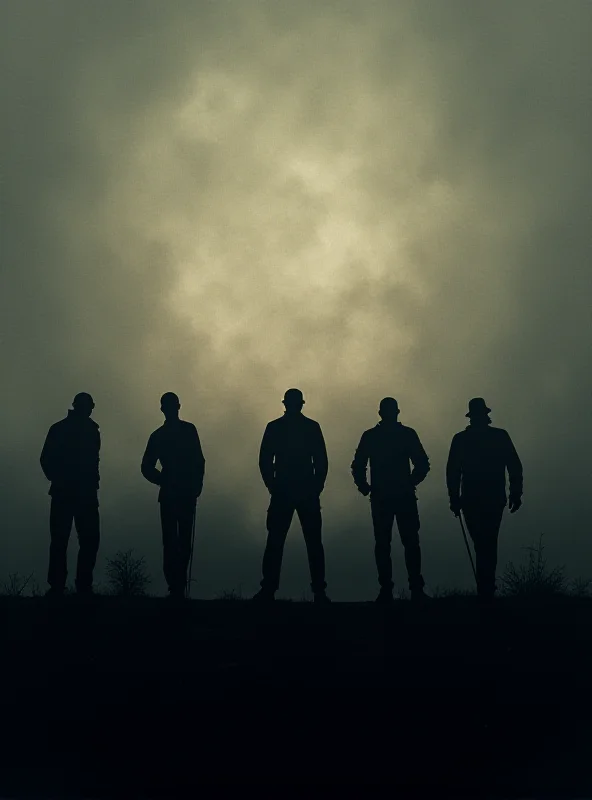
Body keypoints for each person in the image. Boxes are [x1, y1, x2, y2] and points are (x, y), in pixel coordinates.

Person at [253, 389, 330, 604]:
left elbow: (265, 461)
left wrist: (274, 486)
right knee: (306, 542)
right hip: (294, 490)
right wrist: (315, 487)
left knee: (280, 542)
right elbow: (321, 462)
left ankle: (270, 589)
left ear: (285, 404)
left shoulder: (277, 427)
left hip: (289, 490)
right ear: (301, 404)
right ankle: (317, 592)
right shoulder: (309, 427)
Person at [351, 397, 430, 605]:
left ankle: (391, 590)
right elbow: (422, 464)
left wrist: (364, 486)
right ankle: (411, 589)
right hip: (398, 496)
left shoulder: (372, 436)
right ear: (397, 412)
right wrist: (410, 482)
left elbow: (358, 465)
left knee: (389, 544)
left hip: (385, 497)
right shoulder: (405, 435)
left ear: (380, 413)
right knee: (406, 543)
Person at [446, 397, 523, 604]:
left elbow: (452, 471)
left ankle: (486, 587)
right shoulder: (499, 436)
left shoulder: (461, 439)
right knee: (487, 542)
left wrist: (454, 498)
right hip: (489, 498)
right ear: (485, 415)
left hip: (474, 500)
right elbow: (514, 465)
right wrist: (516, 492)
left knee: (482, 542)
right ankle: (487, 586)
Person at [141, 393, 205, 599]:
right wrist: (167, 481)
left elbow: (199, 461)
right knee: (174, 541)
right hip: (177, 492)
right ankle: (176, 586)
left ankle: (177, 585)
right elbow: (146, 467)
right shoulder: (179, 432)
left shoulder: (164, 434)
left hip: (179, 492)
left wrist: (194, 485)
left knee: (178, 541)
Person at [40, 392, 101, 596]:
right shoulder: (63, 429)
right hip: (70, 492)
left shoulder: (87, 430)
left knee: (83, 539)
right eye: (89, 406)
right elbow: (46, 459)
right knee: (63, 540)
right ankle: (65, 585)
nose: (91, 409)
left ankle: (75, 584)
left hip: (77, 492)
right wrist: (59, 479)